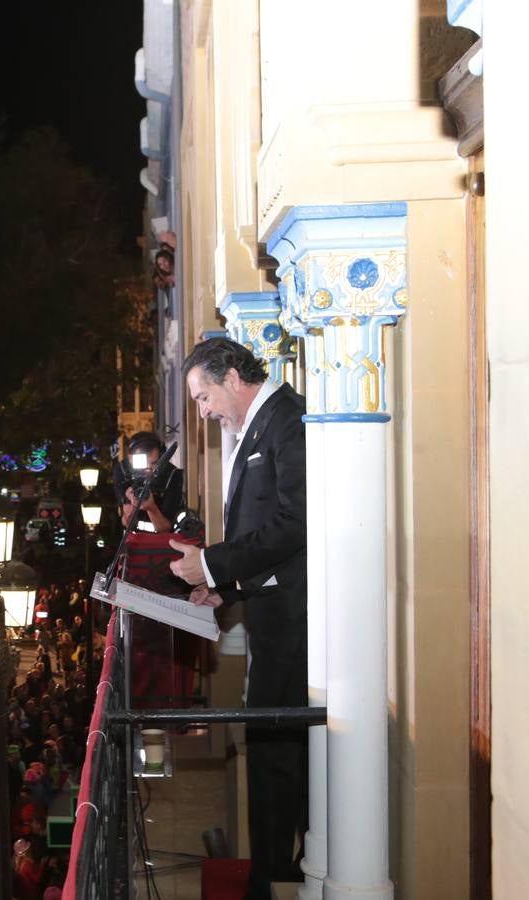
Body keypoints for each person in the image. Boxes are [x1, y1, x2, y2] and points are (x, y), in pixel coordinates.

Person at [168, 337, 308, 900]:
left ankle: (277, 873)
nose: (202, 412)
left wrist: (211, 565)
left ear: (231, 377)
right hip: (272, 616)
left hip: (295, 622)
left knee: (276, 748)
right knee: (270, 746)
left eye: (203, 397)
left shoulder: (286, 420)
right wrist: (224, 590)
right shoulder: (257, 427)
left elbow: (295, 524)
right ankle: (273, 867)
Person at [112, 431, 184, 534]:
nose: (148, 469)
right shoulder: (122, 471)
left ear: (161, 458)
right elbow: (125, 523)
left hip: (163, 540)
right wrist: (130, 506)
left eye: (154, 464)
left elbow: (166, 529)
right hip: (136, 538)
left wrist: (151, 508)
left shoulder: (171, 475)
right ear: (130, 458)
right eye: (143, 463)